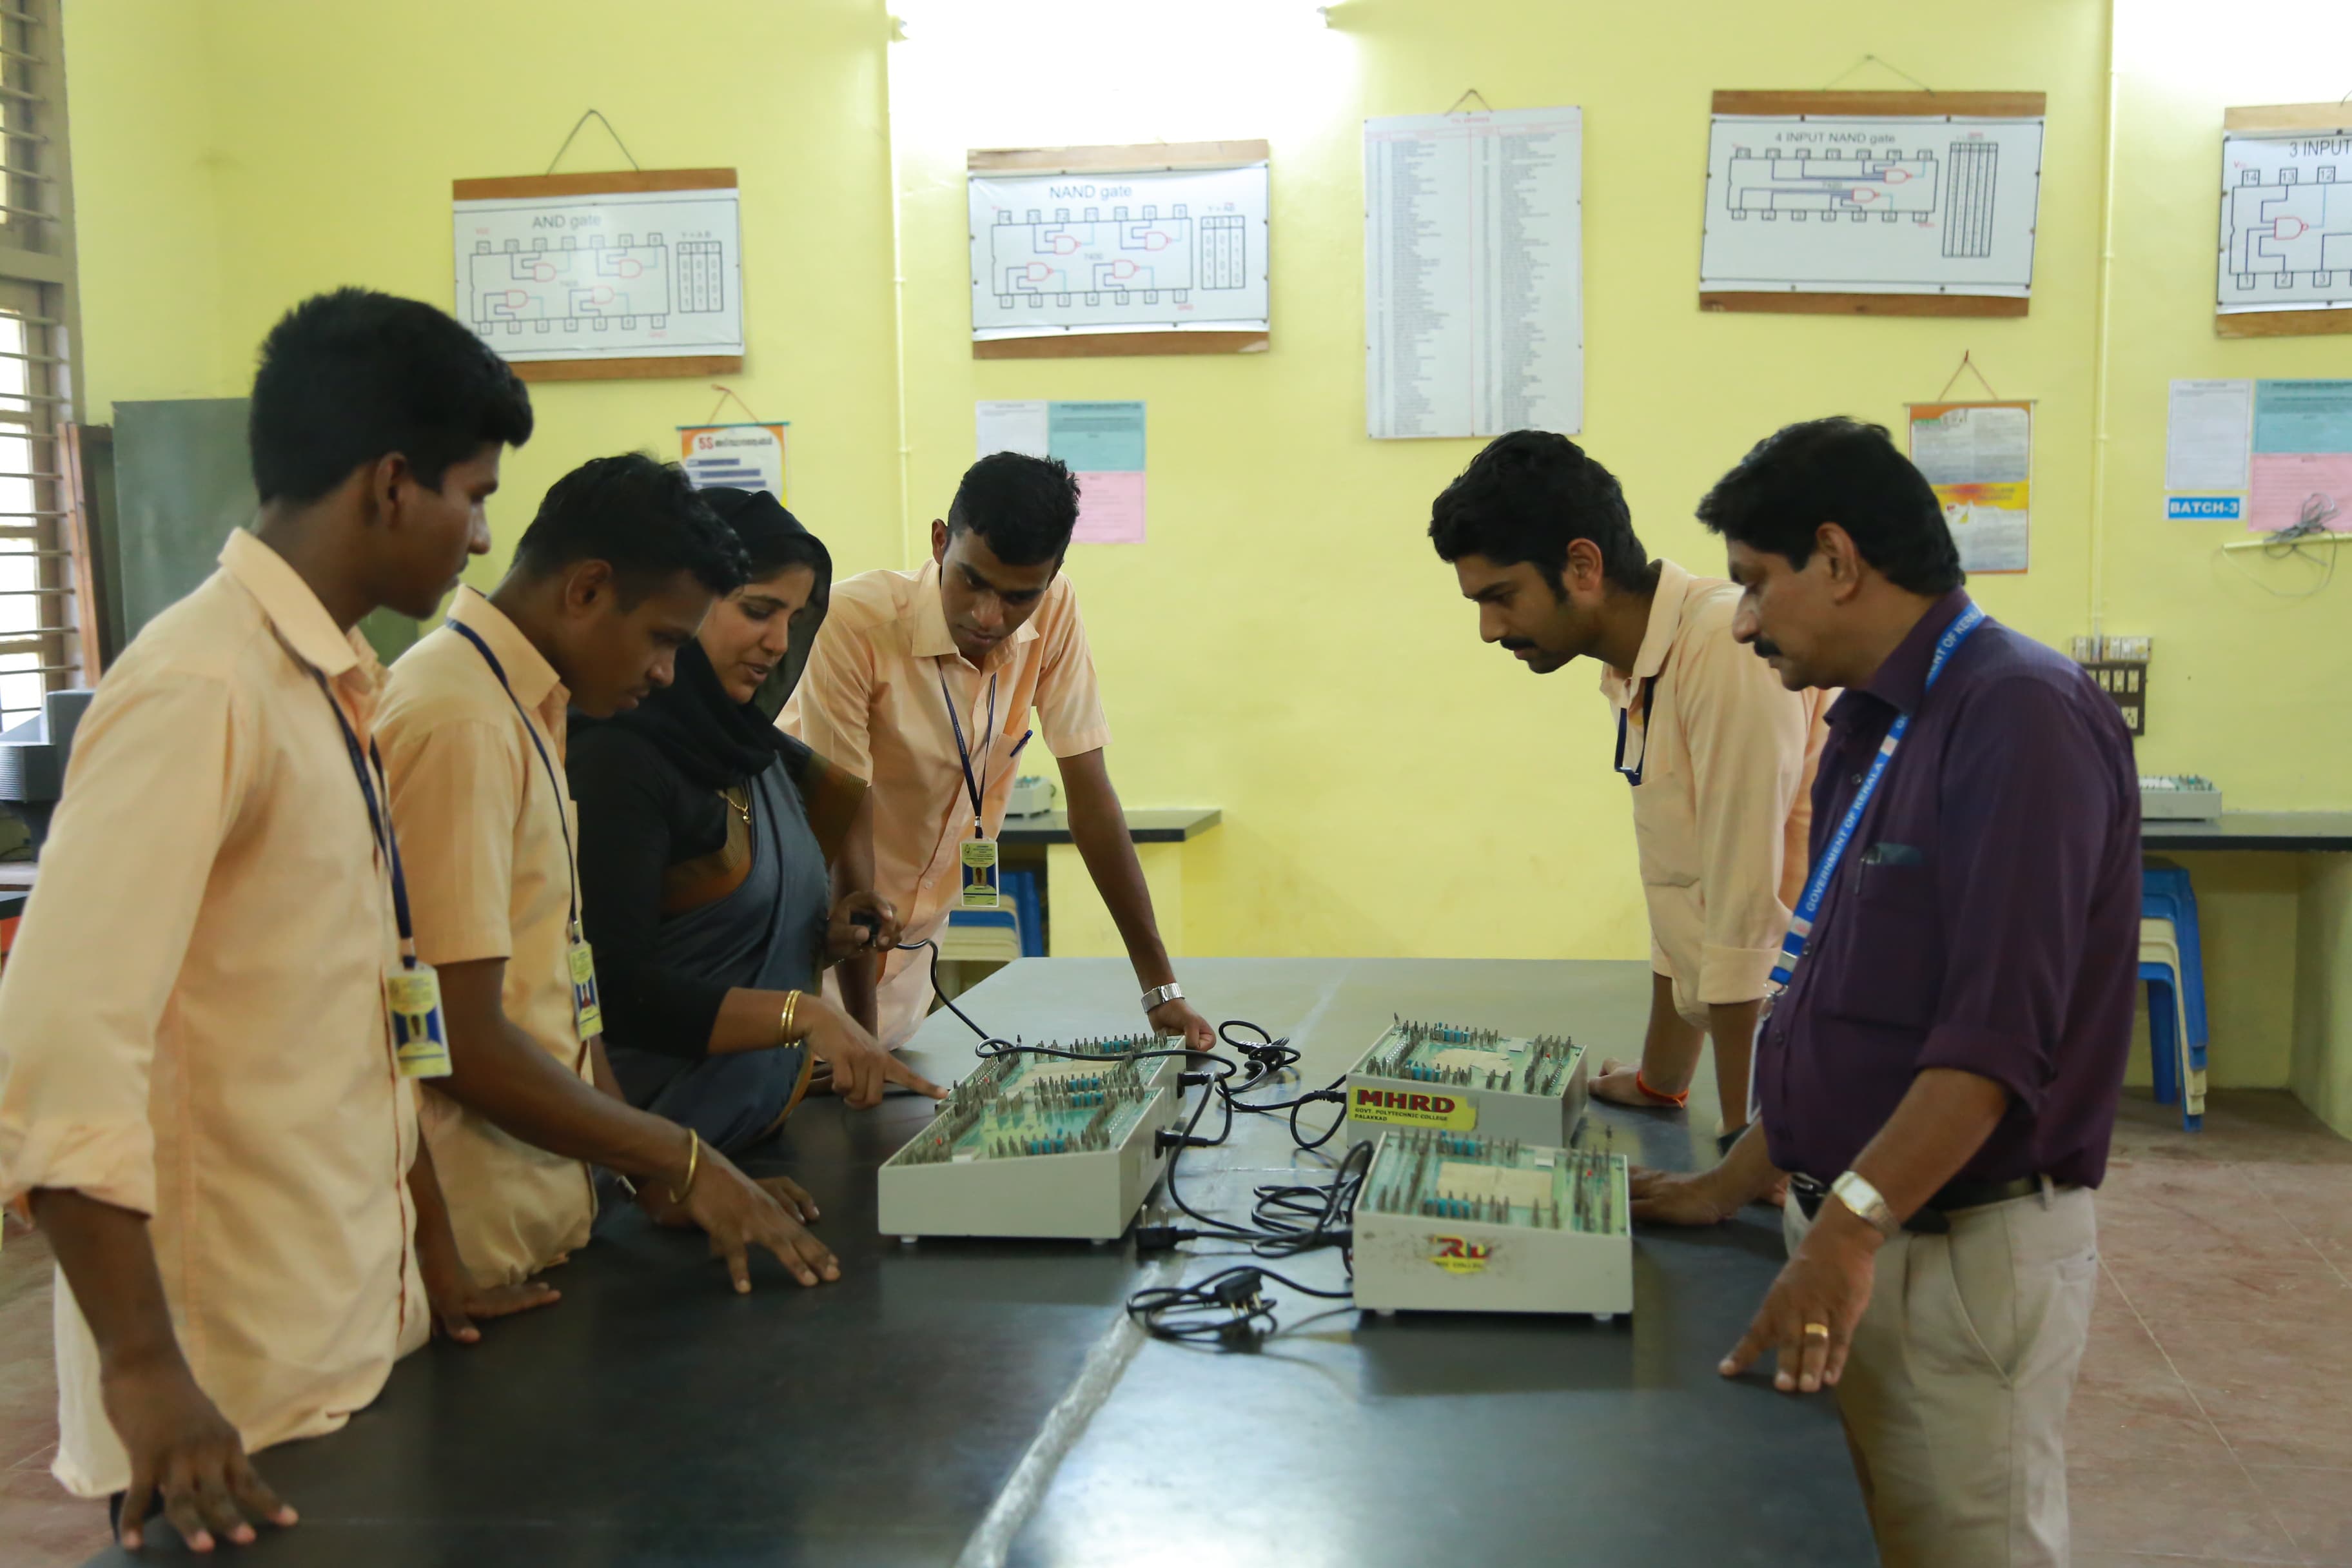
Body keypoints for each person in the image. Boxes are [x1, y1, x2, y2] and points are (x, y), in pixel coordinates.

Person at [0, 288, 551, 1551]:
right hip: (222, 1407)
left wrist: (427, 1242)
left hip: (341, 1347)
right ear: (391, 485)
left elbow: (350, 1013)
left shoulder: (329, 683)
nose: (478, 537)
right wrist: (143, 1367)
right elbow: (57, 1041)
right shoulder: (201, 686)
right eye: (473, 496)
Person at [1630, 418, 2138, 1567]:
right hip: (1861, 1221)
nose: (1746, 620)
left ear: (1839, 558)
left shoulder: (2019, 716)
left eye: (1757, 584)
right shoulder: (1872, 719)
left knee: (1969, 1540)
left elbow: (1991, 1042)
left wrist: (1845, 1235)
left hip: (1951, 1247)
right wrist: (1737, 1181)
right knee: (1869, 1535)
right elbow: (1848, 1004)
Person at [377, 455, 843, 1298]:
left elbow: (568, 991)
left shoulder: (538, 713)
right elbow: (446, 1035)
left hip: (543, 1222)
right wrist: (683, 1156)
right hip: (467, 1250)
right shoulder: (461, 722)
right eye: (664, 638)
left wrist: (651, 1178)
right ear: (587, 590)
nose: (669, 671)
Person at [1428, 430, 1827, 1147]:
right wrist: (1661, 1080)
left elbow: (1746, 913)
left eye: (1501, 596)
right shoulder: (1639, 667)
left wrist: (1741, 1149)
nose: (1489, 629)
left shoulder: (1725, 650)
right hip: (1779, 1059)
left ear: (1581, 565)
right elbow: (1682, 887)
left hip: (1820, 1077)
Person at [783, 453, 1213, 1051]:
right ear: (939, 542)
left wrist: (1160, 991)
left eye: (1019, 597)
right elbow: (845, 824)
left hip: (910, 964)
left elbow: (1091, 798)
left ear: (1053, 576)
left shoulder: (1056, 609)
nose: (989, 616)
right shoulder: (854, 623)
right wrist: (858, 1038)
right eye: (972, 581)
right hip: (814, 946)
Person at [571, 487, 945, 1150]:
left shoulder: (753, 752)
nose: (778, 642)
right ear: (685, 602)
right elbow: (616, 994)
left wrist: (825, 934)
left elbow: (708, 931)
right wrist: (801, 1015)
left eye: (795, 618)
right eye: (757, 610)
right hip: (646, 1161)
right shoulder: (618, 757)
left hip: (749, 1134)